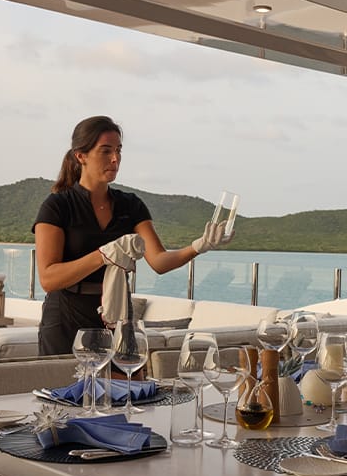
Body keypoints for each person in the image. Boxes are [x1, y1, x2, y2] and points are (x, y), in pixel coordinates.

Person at [33, 115, 233, 356]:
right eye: (105, 151)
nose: (115, 159)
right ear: (81, 156)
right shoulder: (57, 206)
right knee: (65, 393)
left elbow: (158, 261)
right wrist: (104, 255)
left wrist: (199, 246)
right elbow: (48, 278)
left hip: (118, 317)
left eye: (118, 150)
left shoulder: (130, 205)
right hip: (66, 318)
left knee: (123, 391)